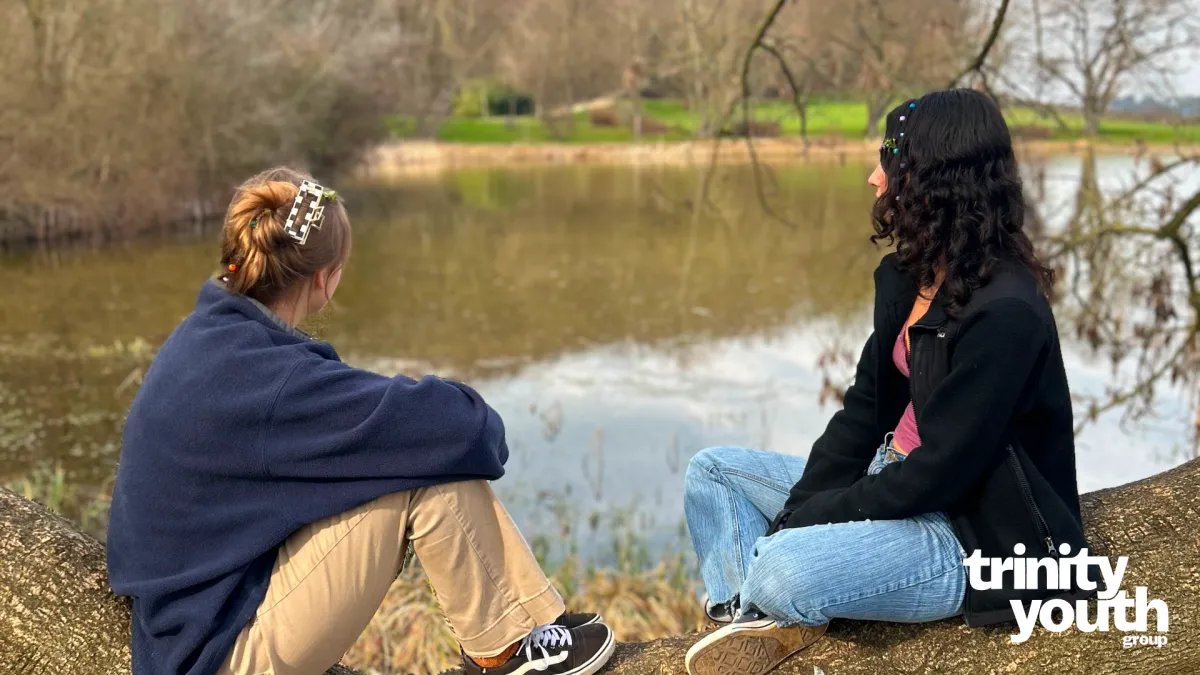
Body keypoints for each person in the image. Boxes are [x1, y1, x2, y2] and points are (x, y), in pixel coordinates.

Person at [107, 167, 615, 675]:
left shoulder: (207, 337)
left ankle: (521, 626)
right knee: (427, 467)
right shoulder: (270, 381)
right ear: (325, 279)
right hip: (218, 654)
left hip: (190, 625)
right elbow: (467, 429)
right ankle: (506, 648)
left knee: (408, 447)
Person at [681, 89, 1095, 675]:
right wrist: (801, 508)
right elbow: (864, 412)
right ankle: (747, 623)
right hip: (891, 476)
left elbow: (943, 473)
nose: (874, 177)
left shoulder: (1006, 312)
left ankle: (764, 600)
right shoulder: (913, 276)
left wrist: (817, 520)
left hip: (967, 529)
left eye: (890, 160)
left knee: (782, 566)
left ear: (936, 177)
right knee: (713, 473)